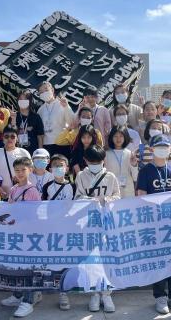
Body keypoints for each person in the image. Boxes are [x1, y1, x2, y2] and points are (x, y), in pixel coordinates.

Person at [136, 135, 171, 314]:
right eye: (159, 146)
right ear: (151, 149)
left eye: (165, 146)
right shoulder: (145, 171)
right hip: (155, 223)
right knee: (158, 259)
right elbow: (141, 196)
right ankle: (160, 296)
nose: (163, 149)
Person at [74, 145, 119, 313]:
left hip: (106, 222)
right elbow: (77, 196)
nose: (95, 164)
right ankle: (94, 293)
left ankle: (106, 294)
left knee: (106, 257)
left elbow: (117, 196)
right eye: (92, 162)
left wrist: (107, 200)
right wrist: (88, 200)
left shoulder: (110, 176)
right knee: (91, 258)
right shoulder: (81, 176)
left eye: (98, 162)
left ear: (103, 161)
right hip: (89, 222)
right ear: (85, 161)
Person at [1, 157, 42, 317]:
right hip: (16, 233)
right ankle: (18, 295)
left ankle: (28, 301)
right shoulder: (13, 189)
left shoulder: (32, 191)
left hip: (28, 234)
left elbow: (34, 214)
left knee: (28, 268)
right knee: (17, 266)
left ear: (30, 170)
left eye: (23, 170)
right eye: (17, 170)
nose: (20, 173)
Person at [41, 154, 75, 310]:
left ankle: (63, 293)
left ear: (67, 168)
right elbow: (42, 206)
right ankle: (40, 291)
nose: (58, 168)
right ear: (50, 168)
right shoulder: (47, 186)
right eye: (55, 165)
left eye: (61, 165)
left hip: (67, 229)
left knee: (65, 262)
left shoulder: (73, 186)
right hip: (51, 229)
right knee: (51, 261)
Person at [0, 126, 31, 200]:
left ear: (17, 138)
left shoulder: (24, 152)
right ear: (2, 138)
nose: (9, 139)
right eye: (6, 136)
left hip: (21, 194)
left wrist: (21, 180)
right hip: (2, 194)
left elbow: (31, 171)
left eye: (12, 137)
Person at [36, 81, 75, 156]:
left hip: (62, 143)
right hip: (46, 145)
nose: (44, 93)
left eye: (46, 90)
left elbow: (71, 122)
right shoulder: (40, 110)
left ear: (52, 90)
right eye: (41, 92)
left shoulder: (62, 104)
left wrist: (66, 107)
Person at [104, 126, 138, 198]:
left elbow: (135, 177)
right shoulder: (106, 155)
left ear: (125, 137)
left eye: (121, 136)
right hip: (112, 191)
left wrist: (134, 165)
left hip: (128, 191)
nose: (118, 139)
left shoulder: (130, 153)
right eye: (115, 136)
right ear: (111, 138)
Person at [12, 90, 44, 156]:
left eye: (25, 99)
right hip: (17, 151)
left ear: (30, 101)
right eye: (20, 99)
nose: (23, 101)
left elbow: (40, 136)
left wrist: (40, 152)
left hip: (33, 151)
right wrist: (13, 120)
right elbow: (11, 133)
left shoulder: (36, 117)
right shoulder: (14, 116)